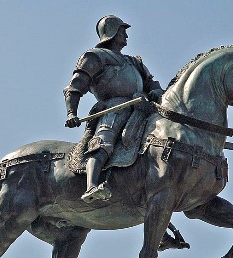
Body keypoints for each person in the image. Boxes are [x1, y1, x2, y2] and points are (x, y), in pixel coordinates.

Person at [64, 15, 164, 203]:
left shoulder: (134, 62)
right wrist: (72, 113)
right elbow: (75, 86)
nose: (126, 34)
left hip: (142, 109)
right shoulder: (95, 56)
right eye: (122, 30)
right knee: (103, 142)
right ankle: (91, 186)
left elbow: (152, 83)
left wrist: (157, 92)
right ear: (110, 32)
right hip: (114, 108)